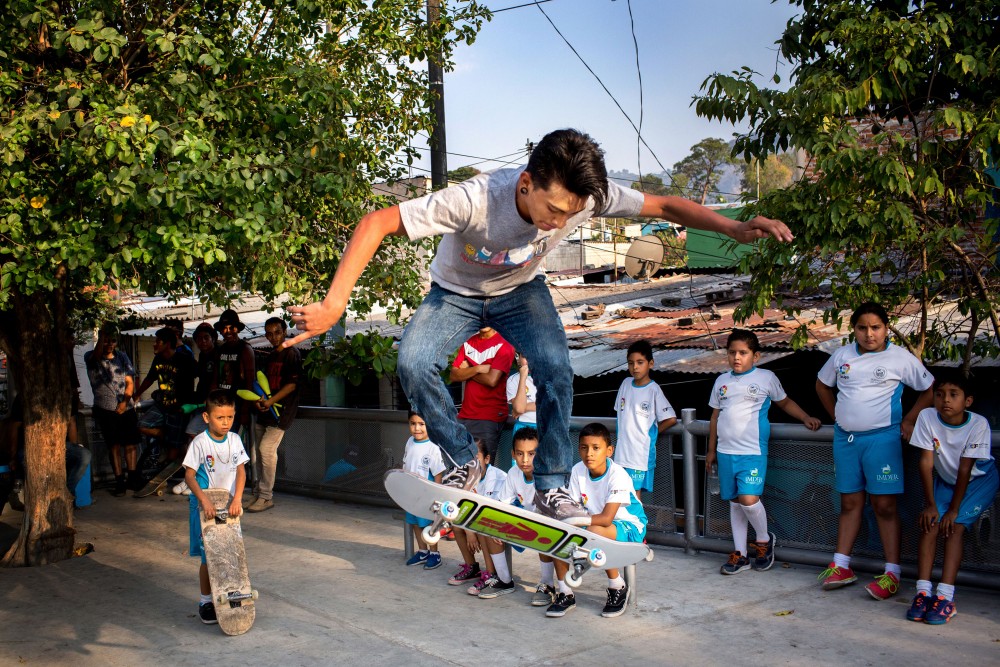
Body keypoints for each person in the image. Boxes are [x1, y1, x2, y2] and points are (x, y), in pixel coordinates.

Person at [285, 128, 793, 522]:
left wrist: (732, 227)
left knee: (556, 370)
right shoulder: (473, 199)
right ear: (526, 184)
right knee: (413, 362)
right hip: (455, 296)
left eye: (568, 214)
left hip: (521, 294)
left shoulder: (585, 198)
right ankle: (464, 459)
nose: (556, 222)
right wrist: (334, 304)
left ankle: (550, 485)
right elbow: (376, 222)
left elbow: (663, 205)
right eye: (550, 209)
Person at [815, 302, 934, 599]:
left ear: (886, 327)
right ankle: (841, 566)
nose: (869, 334)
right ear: (854, 329)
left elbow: (929, 389)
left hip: (883, 440)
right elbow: (821, 385)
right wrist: (837, 417)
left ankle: (892, 573)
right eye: (862, 328)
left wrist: (909, 419)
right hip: (846, 440)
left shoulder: (899, 358)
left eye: (876, 327)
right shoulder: (842, 355)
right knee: (850, 503)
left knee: (884, 506)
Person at [705, 329, 821, 575]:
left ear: (755, 356)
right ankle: (741, 555)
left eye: (743, 353)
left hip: (753, 452)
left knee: (748, 499)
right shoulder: (721, 382)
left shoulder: (766, 378)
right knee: (735, 502)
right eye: (732, 352)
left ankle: (764, 541)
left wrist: (805, 417)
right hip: (726, 452)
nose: (737, 357)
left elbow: (785, 402)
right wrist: (711, 450)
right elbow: (715, 416)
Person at [906, 372, 998, 625]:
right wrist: (931, 505)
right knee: (930, 525)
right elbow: (925, 463)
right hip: (947, 481)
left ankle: (946, 598)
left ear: (967, 401)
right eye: (940, 394)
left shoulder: (978, 424)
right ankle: (923, 593)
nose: (945, 400)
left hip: (978, 482)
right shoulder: (927, 417)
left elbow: (966, 469)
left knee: (953, 528)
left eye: (953, 395)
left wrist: (953, 510)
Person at [547, 423, 647, 619]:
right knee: (559, 531)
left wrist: (575, 521)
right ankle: (565, 592)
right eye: (584, 448)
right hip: (594, 524)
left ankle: (617, 586)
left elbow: (607, 517)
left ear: (609, 451)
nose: (589, 454)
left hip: (630, 526)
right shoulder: (578, 470)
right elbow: (573, 508)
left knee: (594, 531)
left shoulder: (617, 475)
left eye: (596, 448)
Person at [182, 389, 250, 625]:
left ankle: (230, 594)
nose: (225, 422)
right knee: (208, 556)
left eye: (230, 417)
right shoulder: (200, 442)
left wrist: (238, 498)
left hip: (228, 505)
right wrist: (204, 501)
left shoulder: (235, 439)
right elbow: (189, 476)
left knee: (230, 552)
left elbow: (241, 470)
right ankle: (205, 601)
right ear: (206, 417)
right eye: (220, 417)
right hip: (204, 507)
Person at [491, 427, 560, 607]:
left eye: (531, 453)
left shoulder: (548, 474)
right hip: (525, 522)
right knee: (490, 527)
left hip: (546, 525)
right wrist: (498, 528)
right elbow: (503, 505)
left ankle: (547, 584)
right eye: (520, 454)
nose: (525, 460)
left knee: (545, 528)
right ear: (513, 454)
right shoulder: (514, 473)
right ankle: (504, 581)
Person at [246, 317, 302, 513]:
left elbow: (292, 385)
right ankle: (259, 494)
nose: (273, 337)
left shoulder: (292, 353)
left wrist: (270, 401)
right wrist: (261, 400)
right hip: (265, 411)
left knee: (266, 450)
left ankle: (265, 496)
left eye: (277, 332)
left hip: (281, 413)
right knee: (259, 453)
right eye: (269, 333)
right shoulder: (271, 356)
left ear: (284, 331)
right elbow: (264, 384)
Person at [613, 339, 676, 500]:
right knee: (619, 495)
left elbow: (671, 419)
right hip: (622, 453)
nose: (635, 367)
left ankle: (639, 526)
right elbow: (621, 415)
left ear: (651, 363)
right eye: (631, 363)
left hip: (640, 453)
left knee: (634, 496)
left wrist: (652, 434)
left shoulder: (654, 389)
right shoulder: (625, 384)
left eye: (640, 362)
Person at [84, 323, 142, 496]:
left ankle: (132, 478)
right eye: (106, 341)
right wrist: (102, 333)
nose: (109, 344)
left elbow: (130, 381)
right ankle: (119, 481)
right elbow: (95, 355)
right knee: (114, 446)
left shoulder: (123, 357)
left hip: (126, 407)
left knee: (130, 444)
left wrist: (125, 401)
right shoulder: (92, 358)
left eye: (112, 341)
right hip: (105, 409)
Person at [450, 327, 515, 464]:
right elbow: (454, 375)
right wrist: (478, 368)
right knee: (460, 466)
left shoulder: (505, 345)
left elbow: (492, 380)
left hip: (489, 418)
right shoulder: (468, 342)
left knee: (481, 469)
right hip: (464, 416)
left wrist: (467, 370)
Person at [449, 439, 507, 589]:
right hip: (476, 519)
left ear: (487, 459)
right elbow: (461, 507)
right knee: (455, 523)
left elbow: (488, 513)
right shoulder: (465, 476)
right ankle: (472, 567)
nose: (471, 464)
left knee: (482, 526)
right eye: (467, 460)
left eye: (476, 459)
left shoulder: (497, 477)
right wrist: (469, 532)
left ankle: (490, 573)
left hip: (497, 522)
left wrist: (472, 530)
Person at [135, 327, 197, 463]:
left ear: (167, 344)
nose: (154, 344)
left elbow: (201, 374)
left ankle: (168, 478)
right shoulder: (158, 359)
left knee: (173, 452)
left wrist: (196, 400)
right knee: (141, 425)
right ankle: (165, 435)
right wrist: (136, 395)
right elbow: (150, 378)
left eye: (158, 341)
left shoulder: (184, 359)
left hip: (179, 409)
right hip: (163, 405)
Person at [174, 322, 220, 495]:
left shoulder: (217, 355)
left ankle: (199, 480)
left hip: (212, 405)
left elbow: (215, 382)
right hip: (201, 404)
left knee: (198, 438)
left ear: (213, 339)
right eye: (199, 339)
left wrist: (205, 404)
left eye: (206, 338)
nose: (203, 342)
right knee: (196, 439)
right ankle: (193, 479)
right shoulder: (202, 356)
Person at [401, 410, 446, 569]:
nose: (417, 428)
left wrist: (436, 495)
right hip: (411, 493)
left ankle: (434, 554)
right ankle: (422, 551)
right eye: (413, 424)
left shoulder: (433, 446)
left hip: (427, 495)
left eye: (421, 424)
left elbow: (438, 472)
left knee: (428, 525)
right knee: (414, 522)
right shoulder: (409, 442)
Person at [210, 309, 256, 435]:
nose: (228, 331)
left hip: (237, 406)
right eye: (224, 328)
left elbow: (250, 382)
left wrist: (245, 410)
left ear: (237, 329)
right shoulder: (220, 350)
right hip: (221, 404)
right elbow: (215, 378)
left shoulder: (245, 349)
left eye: (232, 328)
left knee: (233, 442)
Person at [506, 354, 537, 433]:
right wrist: (523, 377)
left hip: (545, 425)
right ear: (518, 358)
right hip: (522, 425)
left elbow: (550, 404)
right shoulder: (513, 379)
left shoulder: (550, 378)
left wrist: (525, 408)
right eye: (524, 356)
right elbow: (519, 408)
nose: (529, 360)